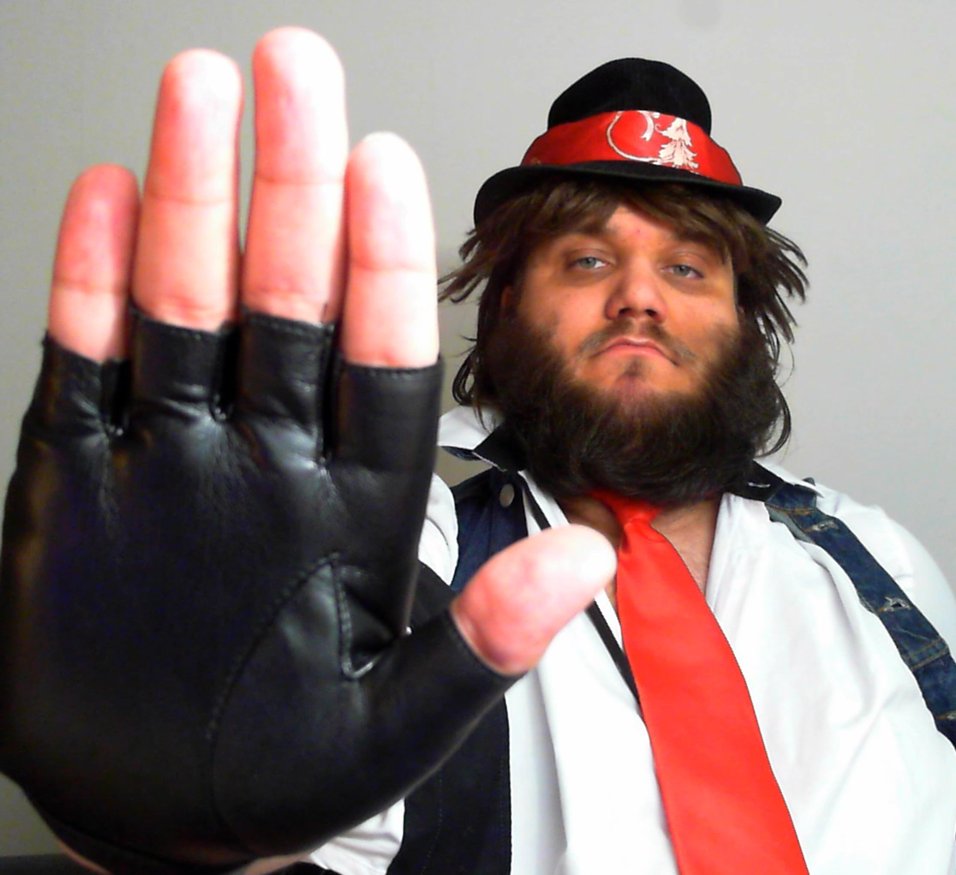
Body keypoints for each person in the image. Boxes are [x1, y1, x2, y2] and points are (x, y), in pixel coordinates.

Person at [1, 25, 956, 875]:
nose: (640, 296)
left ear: (745, 320)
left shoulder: (877, 559)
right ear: (505, 305)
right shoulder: (392, 535)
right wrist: (179, 829)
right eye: (588, 259)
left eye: (686, 266)